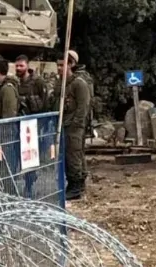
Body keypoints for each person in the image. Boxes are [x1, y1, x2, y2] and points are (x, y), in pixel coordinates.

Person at [49, 50, 91, 200]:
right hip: (63, 124)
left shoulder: (79, 84)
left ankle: (75, 186)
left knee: (73, 156)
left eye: (63, 65)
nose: (59, 68)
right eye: (58, 65)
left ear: (71, 65)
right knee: (70, 156)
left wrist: (76, 124)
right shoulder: (60, 84)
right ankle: (77, 183)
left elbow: (83, 107)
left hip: (74, 127)